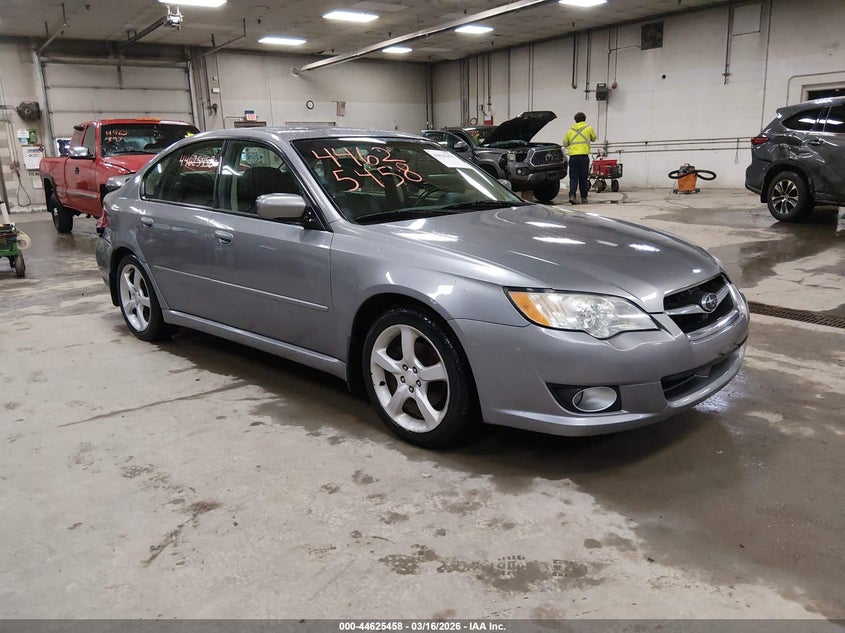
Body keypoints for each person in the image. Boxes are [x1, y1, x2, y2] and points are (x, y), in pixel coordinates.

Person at [562, 112, 597, 205]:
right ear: (585, 119)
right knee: (583, 178)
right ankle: (584, 197)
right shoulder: (588, 128)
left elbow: (565, 143)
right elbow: (594, 138)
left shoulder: (570, 131)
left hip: (573, 157)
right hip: (584, 157)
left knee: (573, 178)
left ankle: (572, 196)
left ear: (575, 120)